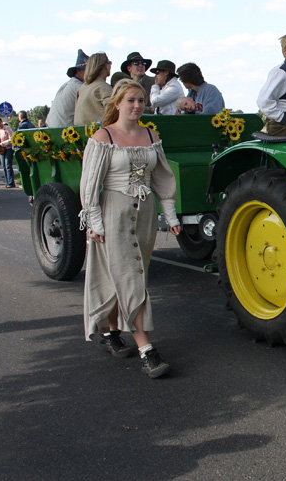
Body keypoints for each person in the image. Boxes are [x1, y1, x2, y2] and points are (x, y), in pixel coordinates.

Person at [80, 78, 181, 378]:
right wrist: (94, 221)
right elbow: (89, 185)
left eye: (140, 101)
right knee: (130, 277)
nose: (137, 106)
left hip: (145, 215)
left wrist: (171, 216)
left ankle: (111, 332)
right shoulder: (103, 137)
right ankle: (146, 349)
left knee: (128, 275)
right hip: (114, 214)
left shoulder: (150, 134)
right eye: (131, 101)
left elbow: (162, 178)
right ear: (117, 103)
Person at [47, 49, 89, 128]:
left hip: (52, 129)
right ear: (79, 71)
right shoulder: (80, 87)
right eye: (87, 70)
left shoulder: (68, 85)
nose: (90, 73)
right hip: (65, 132)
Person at [74, 52, 113, 125]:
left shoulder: (82, 88)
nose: (110, 65)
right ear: (105, 66)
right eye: (109, 62)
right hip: (101, 133)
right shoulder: (104, 88)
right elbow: (114, 115)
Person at [0, 116, 16, 187]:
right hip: (1, 150)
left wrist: (2, 143)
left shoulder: (7, 128)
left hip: (8, 148)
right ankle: (7, 182)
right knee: (3, 166)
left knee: (8, 165)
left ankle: (11, 182)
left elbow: (11, 139)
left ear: (1, 121)